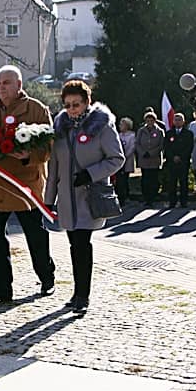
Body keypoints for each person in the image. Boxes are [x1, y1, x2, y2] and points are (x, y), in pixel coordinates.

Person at [0, 65, 55, 303]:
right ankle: (0, 286)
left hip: (24, 186)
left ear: (19, 85)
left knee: (35, 237)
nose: (1, 88)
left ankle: (46, 277)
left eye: (6, 83)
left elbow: (49, 146)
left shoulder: (36, 110)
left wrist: (29, 156)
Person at [44, 81, 124, 314]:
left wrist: (91, 174)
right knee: (73, 245)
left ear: (87, 102)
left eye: (76, 104)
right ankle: (77, 293)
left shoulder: (102, 126)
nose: (72, 110)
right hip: (67, 198)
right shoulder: (61, 128)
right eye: (67, 105)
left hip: (89, 196)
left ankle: (83, 295)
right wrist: (48, 200)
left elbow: (117, 158)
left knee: (82, 244)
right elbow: (54, 168)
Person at [164, 113, 194, 208]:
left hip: (183, 161)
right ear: (173, 121)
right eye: (176, 120)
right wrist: (173, 157)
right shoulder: (169, 133)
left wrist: (180, 157)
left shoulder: (188, 134)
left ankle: (183, 202)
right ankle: (172, 202)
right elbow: (166, 147)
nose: (177, 122)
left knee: (183, 182)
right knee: (172, 182)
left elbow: (189, 147)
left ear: (183, 121)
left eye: (180, 120)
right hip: (172, 162)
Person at [135, 109, 164, 206]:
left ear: (155, 121)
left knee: (153, 179)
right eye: (148, 120)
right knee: (145, 179)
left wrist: (151, 153)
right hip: (144, 159)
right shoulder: (141, 131)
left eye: (151, 120)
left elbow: (161, 145)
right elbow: (137, 143)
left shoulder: (160, 131)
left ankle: (153, 197)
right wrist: (143, 152)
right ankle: (146, 197)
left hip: (154, 159)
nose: (149, 122)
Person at [117, 117, 136, 206]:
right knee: (119, 180)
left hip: (127, 160)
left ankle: (126, 196)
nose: (120, 126)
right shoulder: (118, 135)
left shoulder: (132, 135)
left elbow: (132, 147)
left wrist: (124, 156)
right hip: (119, 161)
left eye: (122, 124)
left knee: (125, 179)